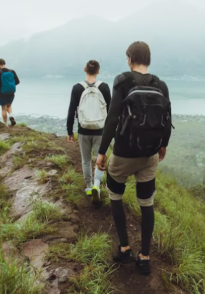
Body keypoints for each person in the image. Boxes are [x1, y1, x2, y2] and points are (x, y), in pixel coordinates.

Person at [96, 41, 172, 275]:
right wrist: (163, 146)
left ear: (129, 58)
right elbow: (167, 118)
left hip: (124, 154)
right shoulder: (161, 84)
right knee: (146, 203)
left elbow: (112, 119)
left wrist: (102, 151)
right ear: (148, 60)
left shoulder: (123, 81)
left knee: (115, 195)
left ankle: (125, 248)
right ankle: (145, 257)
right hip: (149, 155)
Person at [66, 60, 112, 206]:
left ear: (85, 69)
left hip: (83, 130)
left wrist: (69, 131)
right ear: (98, 71)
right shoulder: (104, 87)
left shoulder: (77, 88)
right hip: (100, 131)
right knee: (100, 159)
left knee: (86, 160)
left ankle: (88, 187)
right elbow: (111, 112)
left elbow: (72, 110)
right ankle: (96, 186)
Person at [0, 58, 20, 127]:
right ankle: (11, 116)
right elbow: (17, 82)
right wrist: (10, 84)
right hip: (11, 92)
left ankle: (6, 125)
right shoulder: (12, 71)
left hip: (3, 93)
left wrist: (1, 84)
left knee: (3, 109)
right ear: (4, 63)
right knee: (9, 106)